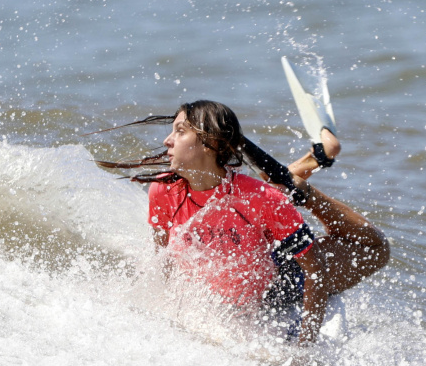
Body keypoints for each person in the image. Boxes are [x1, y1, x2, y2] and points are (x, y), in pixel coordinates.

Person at [140, 100, 390, 346]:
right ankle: (298, 173)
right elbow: (165, 260)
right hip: (252, 244)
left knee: (376, 248)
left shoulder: (262, 199)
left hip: (281, 278)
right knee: (265, 198)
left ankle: (299, 187)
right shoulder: (162, 191)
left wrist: (306, 346)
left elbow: (316, 269)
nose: (167, 140)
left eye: (180, 131)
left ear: (211, 143)